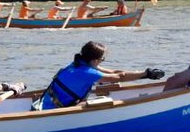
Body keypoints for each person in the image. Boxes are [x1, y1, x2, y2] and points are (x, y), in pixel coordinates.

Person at [33, 41, 163, 111]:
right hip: (49, 111)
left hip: (44, 105)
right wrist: (146, 74)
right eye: (102, 59)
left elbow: (114, 72)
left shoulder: (77, 64)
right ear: (95, 60)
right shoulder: (88, 73)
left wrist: (144, 73)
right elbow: (119, 77)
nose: (102, 61)